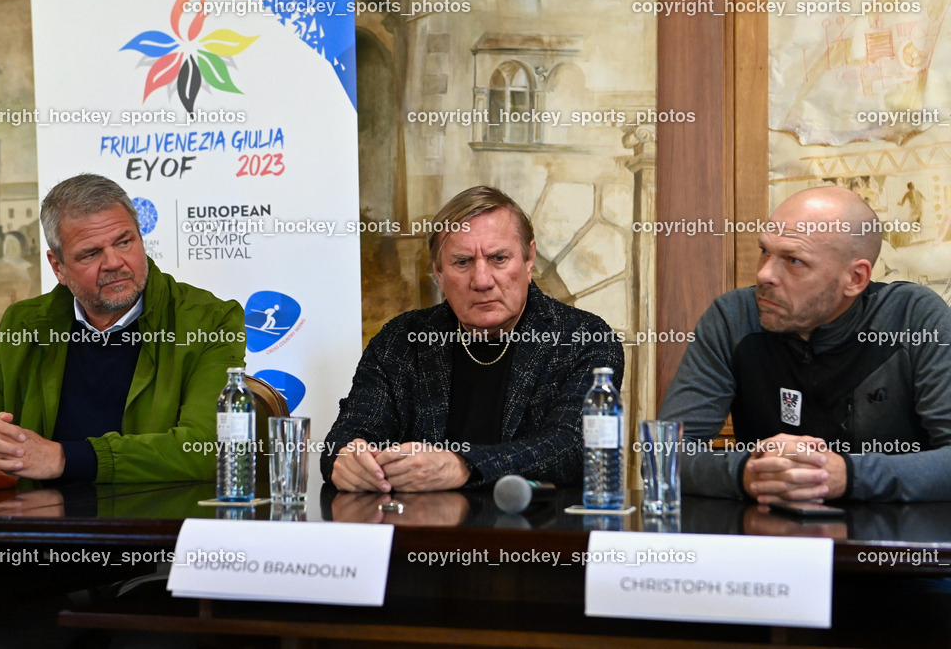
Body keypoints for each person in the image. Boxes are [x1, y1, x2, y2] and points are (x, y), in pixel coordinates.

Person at [0, 174, 245, 482]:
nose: (114, 262)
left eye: (124, 242)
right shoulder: (25, 324)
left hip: (156, 526)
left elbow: (210, 450)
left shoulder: (209, 320)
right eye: (91, 253)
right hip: (40, 528)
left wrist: (63, 458)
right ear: (58, 267)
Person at [659, 186, 951, 503]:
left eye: (794, 260)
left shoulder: (913, 317)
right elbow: (663, 454)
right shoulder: (733, 318)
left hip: (893, 543)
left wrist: (849, 475)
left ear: (855, 278)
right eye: (764, 252)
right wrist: (749, 472)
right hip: (772, 539)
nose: (764, 274)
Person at [322, 186, 624, 492]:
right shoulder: (401, 341)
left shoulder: (583, 339)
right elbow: (350, 432)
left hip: (540, 532)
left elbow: (572, 448)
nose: (481, 281)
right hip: (419, 533)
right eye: (462, 262)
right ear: (438, 273)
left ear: (529, 259)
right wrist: (347, 458)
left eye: (498, 258)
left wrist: (463, 465)